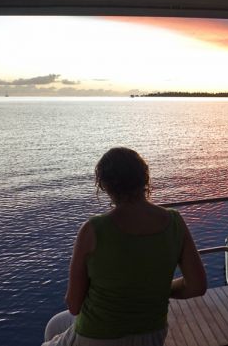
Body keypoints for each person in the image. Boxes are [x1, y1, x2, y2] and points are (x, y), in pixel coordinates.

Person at [43, 147, 207, 346]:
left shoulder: (93, 229)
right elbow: (197, 286)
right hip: (151, 336)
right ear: (144, 178)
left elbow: (74, 305)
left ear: (104, 185)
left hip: (96, 337)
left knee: (51, 331)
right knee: (55, 326)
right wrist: (157, 289)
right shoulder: (174, 222)